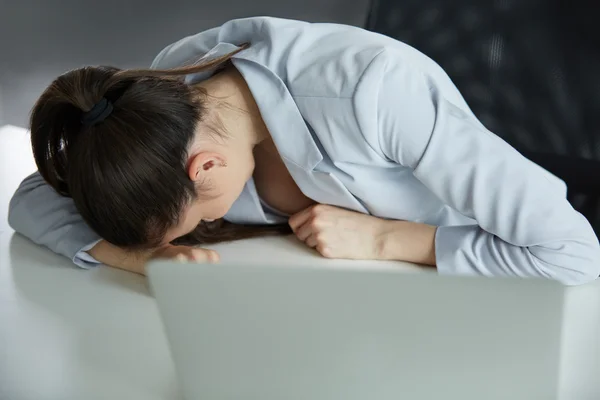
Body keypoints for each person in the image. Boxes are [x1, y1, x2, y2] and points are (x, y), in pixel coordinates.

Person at [8, 16, 600, 285]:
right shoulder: (166, 101)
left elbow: (571, 254)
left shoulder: (374, 91)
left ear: (207, 168)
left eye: (195, 218)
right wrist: (141, 258)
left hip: (448, 294)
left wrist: (385, 240)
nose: (203, 227)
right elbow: (30, 199)